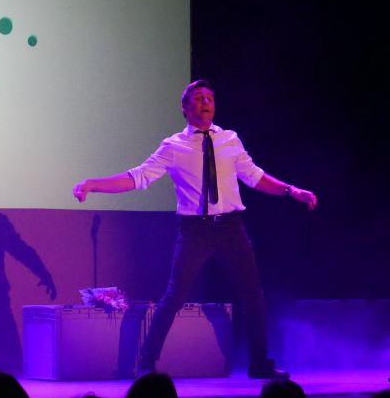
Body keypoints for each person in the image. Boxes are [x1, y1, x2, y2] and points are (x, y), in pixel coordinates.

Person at [73, 80, 316, 379]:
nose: (206, 103)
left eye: (210, 99)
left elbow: (254, 177)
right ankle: (147, 363)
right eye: (199, 98)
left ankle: (259, 364)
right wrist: (93, 185)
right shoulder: (173, 146)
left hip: (230, 227)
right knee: (174, 296)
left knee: (253, 295)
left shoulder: (230, 139)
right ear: (185, 108)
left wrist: (291, 190)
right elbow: (138, 177)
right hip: (194, 231)